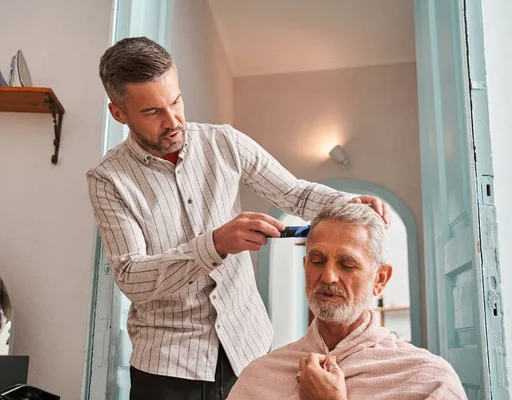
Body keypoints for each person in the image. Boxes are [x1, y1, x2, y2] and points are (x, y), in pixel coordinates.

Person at [86, 36, 391, 400]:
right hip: (166, 368)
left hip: (248, 350)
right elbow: (131, 278)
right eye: (152, 112)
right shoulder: (108, 180)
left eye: (176, 101)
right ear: (119, 114)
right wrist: (213, 245)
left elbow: (293, 192)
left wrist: (349, 202)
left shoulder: (225, 143)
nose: (172, 121)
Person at [228, 203, 466, 400]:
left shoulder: (427, 379)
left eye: (347, 265)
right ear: (305, 267)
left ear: (380, 279)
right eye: (317, 261)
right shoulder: (260, 376)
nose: (328, 276)